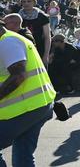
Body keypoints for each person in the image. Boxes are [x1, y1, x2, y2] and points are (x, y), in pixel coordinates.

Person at [0, 10, 57, 167]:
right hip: (37, 106)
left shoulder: (7, 42)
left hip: (24, 109)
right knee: (23, 156)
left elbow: (18, 76)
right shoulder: (10, 39)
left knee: (23, 155)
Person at [17, 0, 50, 68]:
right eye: (24, 2)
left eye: (29, 1)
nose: (26, 3)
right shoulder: (18, 17)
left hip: (39, 49)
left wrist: (46, 55)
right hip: (22, 51)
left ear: (34, 2)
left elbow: (47, 37)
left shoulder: (42, 16)